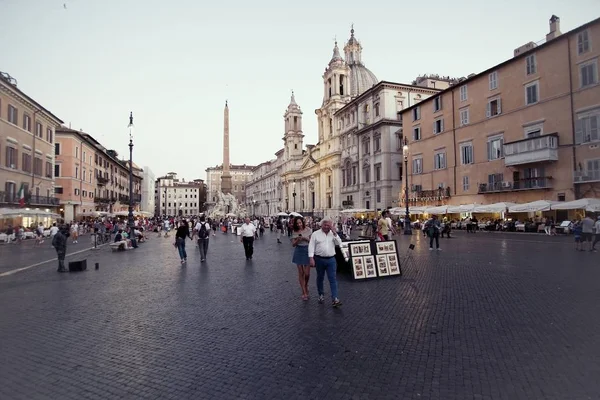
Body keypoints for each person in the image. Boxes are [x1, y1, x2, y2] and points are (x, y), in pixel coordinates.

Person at [308, 217, 342, 307]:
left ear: (331, 226)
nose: (326, 226)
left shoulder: (332, 234)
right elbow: (311, 246)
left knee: (333, 279)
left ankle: (335, 298)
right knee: (320, 277)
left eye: (328, 225)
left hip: (331, 259)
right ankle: (321, 294)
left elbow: (339, 243)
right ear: (321, 225)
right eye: (325, 225)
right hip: (319, 259)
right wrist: (311, 258)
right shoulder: (315, 234)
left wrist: (335, 233)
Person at [291, 216, 312, 301]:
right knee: (301, 272)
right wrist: (298, 240)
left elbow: (312, 241)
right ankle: (304, 292)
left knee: (307, 274)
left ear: (302, 222)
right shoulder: (295, 232)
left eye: (300, 223)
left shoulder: (308, 229)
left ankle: (306, 285)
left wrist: (304, 238)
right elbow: (293, 244)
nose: (299, 225)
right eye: (297, 223)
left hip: (307, 250)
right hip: (299, 250)